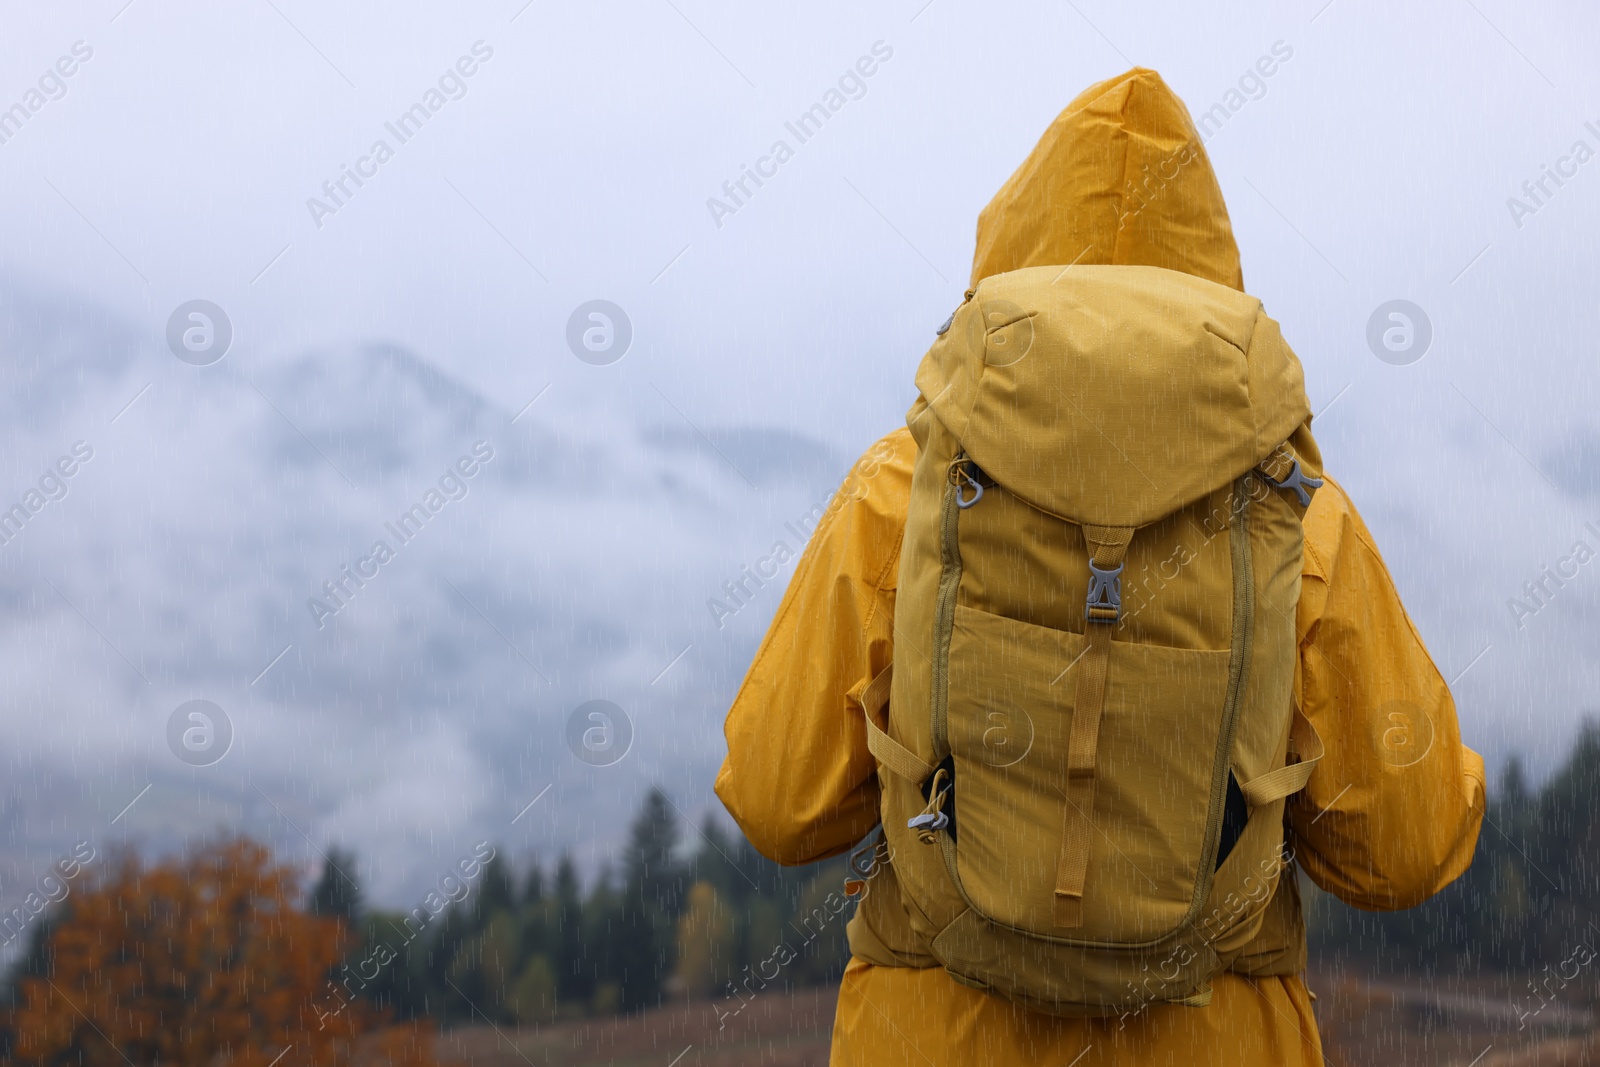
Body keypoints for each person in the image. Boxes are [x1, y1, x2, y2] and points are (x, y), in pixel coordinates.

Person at [715, 67, 1484, 1066]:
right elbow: (1405, 850)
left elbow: (780, 801)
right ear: (1211, 275)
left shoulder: (900, 488)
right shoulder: (1298, 512)